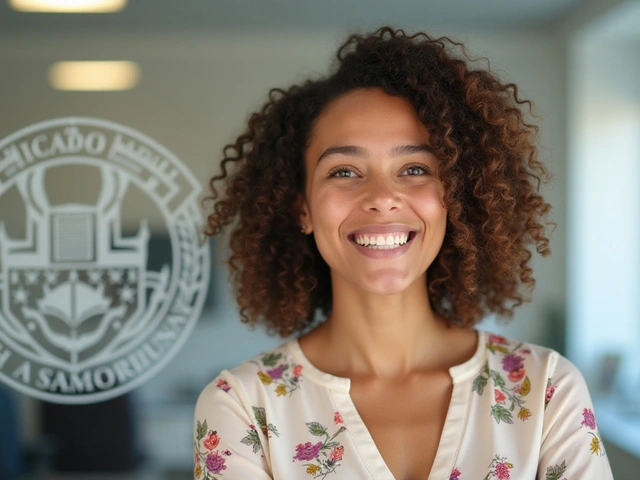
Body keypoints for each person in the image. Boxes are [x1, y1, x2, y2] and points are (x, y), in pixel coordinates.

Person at [194, 27, 614, 479]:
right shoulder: (241, 407)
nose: (382, 197)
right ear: (303, 206)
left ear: (455, 195)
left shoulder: (545, 390)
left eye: (414, 168)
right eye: (345, 170)